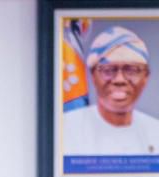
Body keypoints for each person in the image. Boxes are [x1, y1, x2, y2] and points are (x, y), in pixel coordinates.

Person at [64, 25, 159, 155]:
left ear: (146, 77)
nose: (119, 80)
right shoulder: (65, 130)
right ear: (92, 76)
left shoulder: (155, 132)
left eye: (131, 70)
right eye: (108, 70)